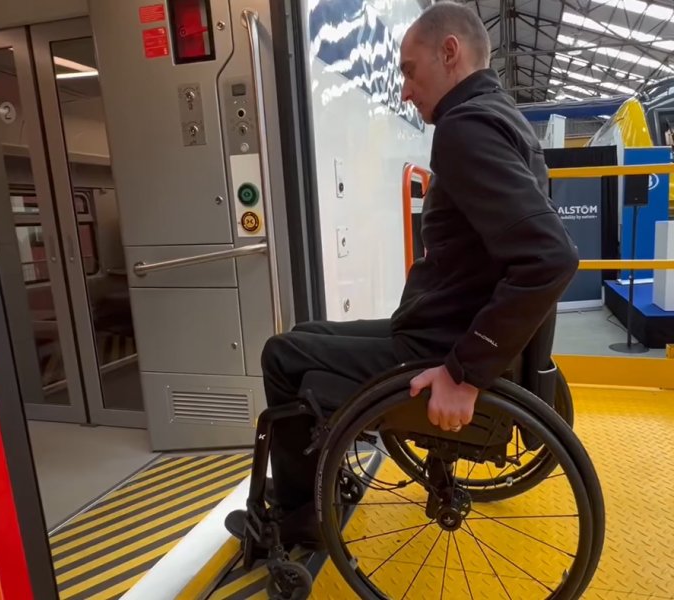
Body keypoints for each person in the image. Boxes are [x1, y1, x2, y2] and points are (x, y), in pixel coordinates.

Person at [225, 1, 579, 547]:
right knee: (304, 336)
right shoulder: (505, 120)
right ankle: (314, 482)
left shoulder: (465, 129)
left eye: (410, 71)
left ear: (451, 53)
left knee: (281, 355)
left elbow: (549, 258)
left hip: (440, 346)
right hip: (440, 329)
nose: (406, 91)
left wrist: (464, 374)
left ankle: (301, 517)